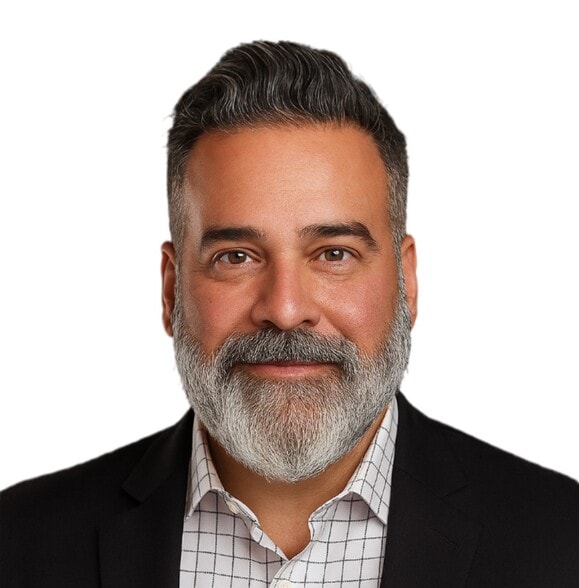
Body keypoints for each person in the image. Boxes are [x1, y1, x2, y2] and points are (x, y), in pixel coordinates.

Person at [1, 40, 578, 588]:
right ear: (171, 290)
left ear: (406, 282)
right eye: (236, 257)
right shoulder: (19, 542)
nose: (284, 309)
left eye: (333, 254)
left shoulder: (562, 541)